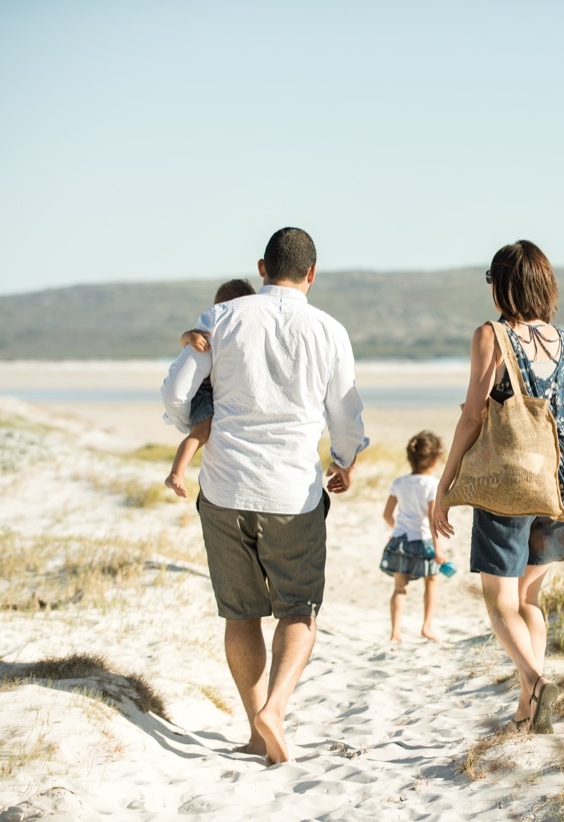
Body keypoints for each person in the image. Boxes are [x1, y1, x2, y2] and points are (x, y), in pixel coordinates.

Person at [161, 227, 368, 766]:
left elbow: (178, 389)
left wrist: (198, 425)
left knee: (241, 614)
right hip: (292, 494)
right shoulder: (329, 330)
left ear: (261, 267)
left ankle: (256, 728)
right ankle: (275, 709)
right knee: (299, 610)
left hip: (225, 488)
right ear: (312, 274)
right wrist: (345, 460)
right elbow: (345, 414)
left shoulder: (222, 317)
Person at [431, 240, 564, 735]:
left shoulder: (491, 336)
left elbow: (474, 415)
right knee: (530, 601)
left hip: (509, 490)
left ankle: (536, 684)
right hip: (561, 491)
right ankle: (526, 710)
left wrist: (446, 483)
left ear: (500, 285)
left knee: (500, 604)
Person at [164, 278, 257, 498]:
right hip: (203, 391)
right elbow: (184, 341)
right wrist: (190, 336)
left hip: (212, 390)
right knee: (201, 432)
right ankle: (176, 473)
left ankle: (176, 472)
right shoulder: (214, 326)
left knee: (202, 433)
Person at [381, 430, 448, 643]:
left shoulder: (399, 483)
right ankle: (427, 626)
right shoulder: (432, 485)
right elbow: (431, 517)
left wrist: (398, 528)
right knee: (431, 582)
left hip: (400, 540)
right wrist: (438, 548)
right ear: (436, 459)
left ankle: (395, 633)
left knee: (400, 588)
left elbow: (387, 514)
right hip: (424, 540)